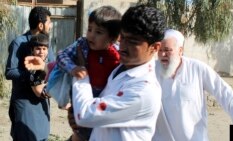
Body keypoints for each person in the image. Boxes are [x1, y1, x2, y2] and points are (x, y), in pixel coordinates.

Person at [24, 4, 166, 141]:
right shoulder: (121, 67)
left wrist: (81, 72)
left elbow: (85, 114)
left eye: (133, 42)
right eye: (123, 38)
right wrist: (45, 66)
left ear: (155, 47)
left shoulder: (144, 90)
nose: (123, 46)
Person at [153, 29, 233, 141]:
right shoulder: (151, 71)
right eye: (159, 50)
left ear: (180, 50)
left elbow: (224, 92)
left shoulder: (197, 69)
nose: (162, 54)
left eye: (167, 50)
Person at [55, 5, 121, 141]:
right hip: (82, 98)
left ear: (112, 38)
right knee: (81, 130)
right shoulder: (82, 45)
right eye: (90, 29)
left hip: (103, 101)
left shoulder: (118, 54)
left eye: (98, 32)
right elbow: (61, 56)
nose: (91, 35)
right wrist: (73, 68)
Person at [5, 7, 54, 141]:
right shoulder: (19, 43)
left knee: (42, 136)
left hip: (42, 103)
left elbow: (52, 68)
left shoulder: (46, 43)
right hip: (24, 104)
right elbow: (10, 72)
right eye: (49, 22)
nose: (51, 25)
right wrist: (32, 76)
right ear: (40, 24)